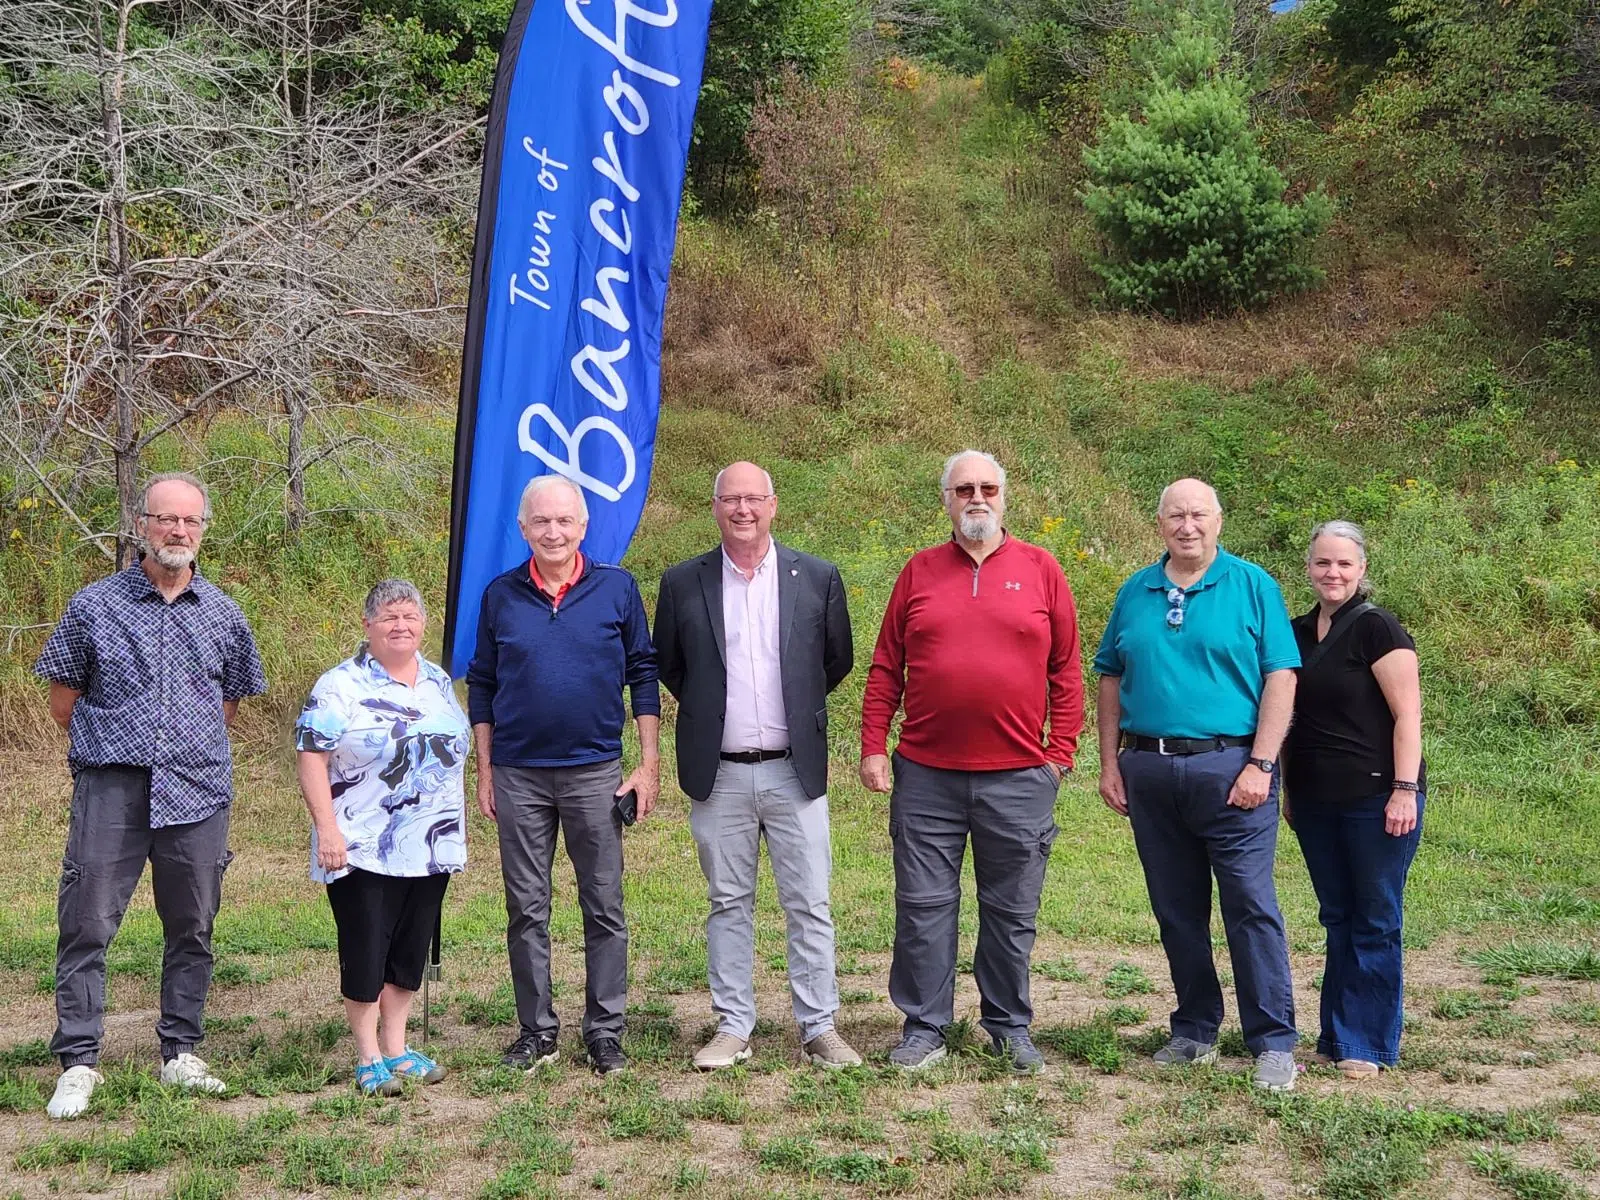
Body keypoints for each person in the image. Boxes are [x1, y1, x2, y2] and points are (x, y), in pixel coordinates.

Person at [33, 472, 267, 1120]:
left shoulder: (223, 613)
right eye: (166, 519)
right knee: (86, 923)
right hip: (112, 787)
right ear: (142, 524)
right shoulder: (94, 606)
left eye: (190, 522)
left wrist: (182, 746)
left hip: (196, 791)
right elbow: (61, 702)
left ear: (203, 529)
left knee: (193, 925)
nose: (177, 531)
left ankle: (181, 1053)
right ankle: (79, 1062)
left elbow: (229, 706)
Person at [860, 450, 1083, 1075]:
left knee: (1011, 911)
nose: (976, 498)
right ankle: (925, 1026)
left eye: (987, 488)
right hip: (926, 775)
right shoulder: (919, 571)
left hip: (1017, 777)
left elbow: (1067, 669)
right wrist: (874, 746)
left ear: (1004, 498)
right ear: (947, 500)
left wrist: (1058, 755)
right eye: (964, 490)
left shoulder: (1041, 569)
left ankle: (1008, 1025)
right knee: (923, 907)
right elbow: (885, 668)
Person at [1094, 478, 1301, 1092]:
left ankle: (1272, 1041)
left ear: (1219, 520)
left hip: (1232, 769)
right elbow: (1109, 677)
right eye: (1176, 516)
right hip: (1151, 771)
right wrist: (1110, 764)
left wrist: (1262, 765)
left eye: (1199, 515)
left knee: (1249, 904)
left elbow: (1281, 678)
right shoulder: (1137, 590)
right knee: (1176, 908)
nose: (1188, 526)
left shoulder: (1252, 584)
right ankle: (1194, 1028)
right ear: (1160, 524)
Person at [654, 461, 860, 1071]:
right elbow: (672, 666)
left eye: (753, 498)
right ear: (714, 507)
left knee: (810, 902)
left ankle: (819, 1026)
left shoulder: (817, 576)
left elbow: (835, 660)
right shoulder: (682, 582)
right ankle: (732, 1025)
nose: (742, 509)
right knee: (728, 901)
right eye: (730, 499)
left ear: (773, 505)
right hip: (718, 773)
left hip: (794, 770)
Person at [467, 475, 661, 1075]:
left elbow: (643, 673)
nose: (553, 531)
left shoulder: (617, 589)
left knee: (603, 905)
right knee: (526, 908)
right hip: (519, 773)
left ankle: (605, 1032)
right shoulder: (500, 595)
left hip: (595, 771)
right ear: (523, 529)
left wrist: (649, 764)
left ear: (583, 526)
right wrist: (485, 769)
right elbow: (482, 682)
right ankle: (536, 1031)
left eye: (564, 521)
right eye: (541, 522)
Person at [295, 579, 468, 1096]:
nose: (400, 625)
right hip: (360, 843)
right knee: (366, 948)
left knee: (408, 952)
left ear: (423, 626)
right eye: (389, 616)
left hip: (431, 844)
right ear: (368, 625)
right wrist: (327, 828)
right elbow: (311, 756)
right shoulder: (339, 686)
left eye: (410, 617)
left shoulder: (437, 681)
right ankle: (368, 1055)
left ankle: (397, 1047)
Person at [1283, 521, 1424, 1079]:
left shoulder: (1378, 629)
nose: (1332, 573)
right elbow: (1288, 720)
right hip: (1316, 799)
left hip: (1377, 797)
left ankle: (1368, 1043)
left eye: (1344, 564)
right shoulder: (1294, 632)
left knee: (1374, 918)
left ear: (1362, 569)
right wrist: (1289, 789)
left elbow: (1407, 715)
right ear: (1309, 568)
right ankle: (1335, 1035)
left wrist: (1404, 789)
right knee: (1337, 916)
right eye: (1323, 563)